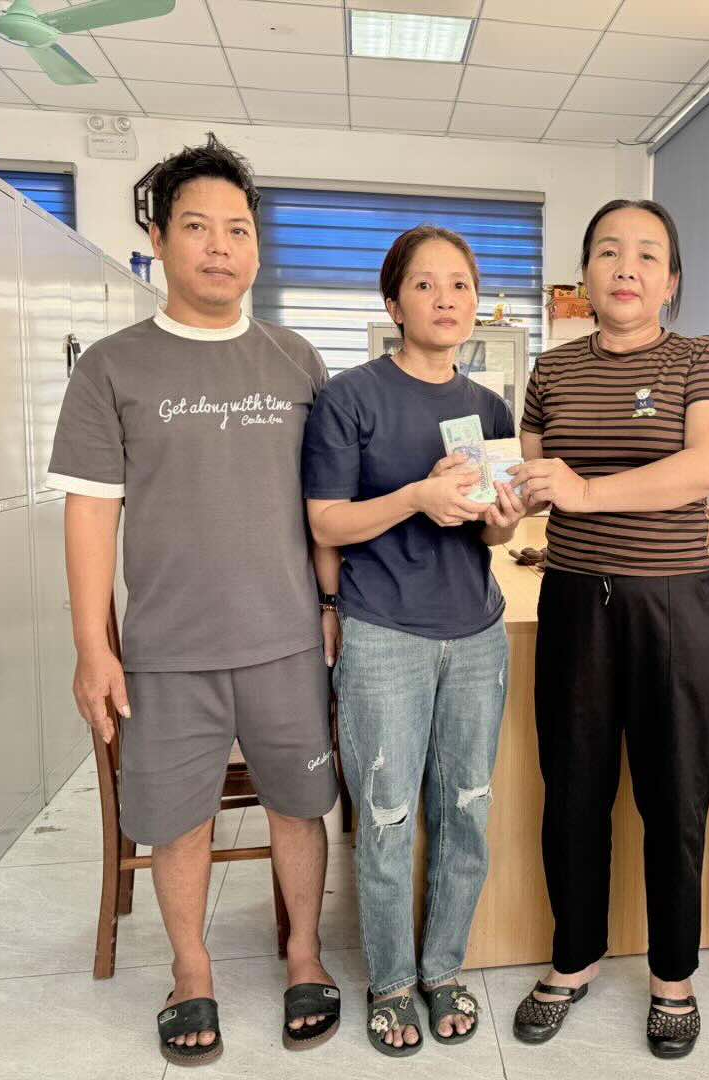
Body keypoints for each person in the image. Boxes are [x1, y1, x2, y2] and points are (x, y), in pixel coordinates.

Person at [49, 135, 344, 1066]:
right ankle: (192, 972)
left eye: (239, 230)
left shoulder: (296, 360)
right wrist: (95, 648)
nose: (221, 247)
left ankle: (304, 951)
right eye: (199, 228)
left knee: (302, 806)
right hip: (167, 648)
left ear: (257, 247)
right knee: (179, 818)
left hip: (289, 639)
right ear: (159, 239)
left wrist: (332, 605)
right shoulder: (111, 368)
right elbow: (91, 516)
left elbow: (324, 502)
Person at [509, 199, 709, 1059]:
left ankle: (674, 974)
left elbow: (707, 467)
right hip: (573, 598)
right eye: (609, 251)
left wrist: (587, 491)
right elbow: (531, 480)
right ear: (585, 277)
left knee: (675, 792)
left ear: (671, 280)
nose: (627, 267)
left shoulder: (703, 357)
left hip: (673, 603)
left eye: (647, 254)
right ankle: (574, 959)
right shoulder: (551, 371)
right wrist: (504, 495)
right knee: (572, 788)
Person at [302, 225, 527, 1056]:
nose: (445, 299)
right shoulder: (351, 397)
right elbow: (326, 519)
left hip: (474, 634)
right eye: (425, 285)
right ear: (393, 302)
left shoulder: (491, 406)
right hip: (383, 632)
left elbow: (496, 534)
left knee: (466, 810)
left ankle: (444, 969)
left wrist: (503, 520)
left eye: (460, 285)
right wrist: (415, 497)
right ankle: (391, 980)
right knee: (389, 816)